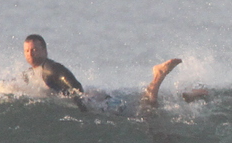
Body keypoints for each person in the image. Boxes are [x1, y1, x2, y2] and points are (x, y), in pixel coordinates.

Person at [22, 34, 206, 109]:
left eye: (35, 49)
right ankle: (190, 94)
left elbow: (73, 84)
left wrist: (81, 103)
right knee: (146, 103)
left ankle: (159, 76)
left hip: (95, 102)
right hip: (99, 96)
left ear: (45, 50)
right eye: (27, 50)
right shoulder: (35, 72)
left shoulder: (50, 68)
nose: (31, 54)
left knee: (147, 110)